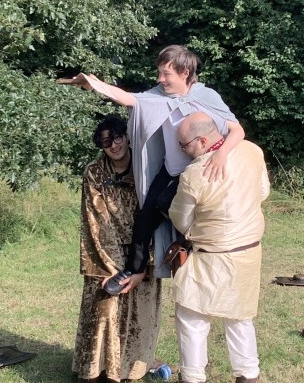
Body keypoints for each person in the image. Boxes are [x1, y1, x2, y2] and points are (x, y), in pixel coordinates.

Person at [68, 45, 244, 295]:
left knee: (197, 220)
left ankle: (196, 265)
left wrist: (221, 154)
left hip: (201, 171)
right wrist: (95, 84)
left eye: (166, 74)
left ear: (185, 73)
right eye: (159, 73)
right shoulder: (158, 96)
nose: (160, 79)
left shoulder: (207, 96)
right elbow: (129, 98)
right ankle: (134, 269)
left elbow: (237, 130)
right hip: (172, 171)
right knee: (146, 218)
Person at [153, 111, 270, 383]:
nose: (183, 151)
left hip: (210, 256)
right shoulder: (252, 151)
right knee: (240, 319)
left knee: (192, 320)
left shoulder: (194, 173)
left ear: (203, 141)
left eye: (185, 146)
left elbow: (181, 219)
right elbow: (262, 193)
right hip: (248, 252)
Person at [71, 116, 163, 383]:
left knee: (139, 314)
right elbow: (96, 220)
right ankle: (88, 378)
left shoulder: (146, 166)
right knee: (101, 313)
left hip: (143, 251)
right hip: (104, 252)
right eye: (106, 141)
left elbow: (156, 213)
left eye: (118, 137)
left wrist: (141, 264)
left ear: (127, 136)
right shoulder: (94, 171)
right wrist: (115, 267)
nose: (114, 145)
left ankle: (126, 369)